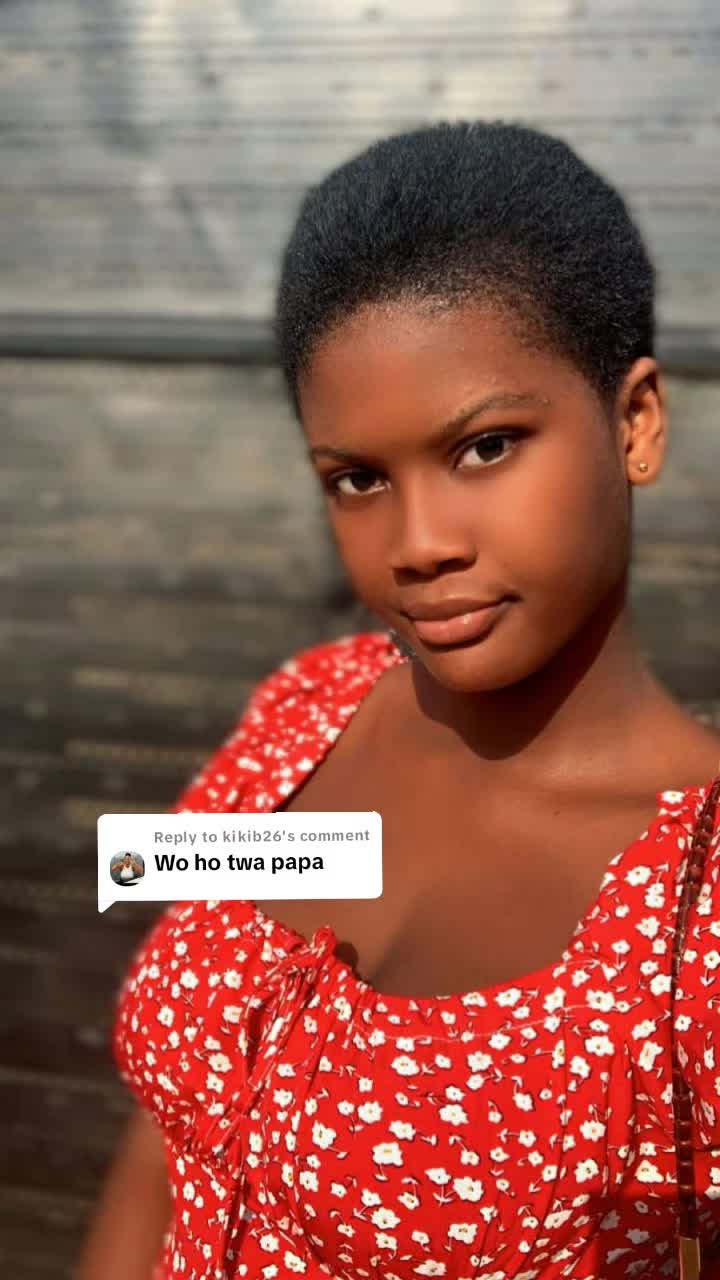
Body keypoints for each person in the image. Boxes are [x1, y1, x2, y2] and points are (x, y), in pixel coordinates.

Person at [77, 120, 720, 1280]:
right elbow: (174, 1131)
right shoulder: (303, 713)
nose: (418, 543)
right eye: (359, 478)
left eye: (487, 447)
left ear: (635, 422)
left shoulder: (696, 918)